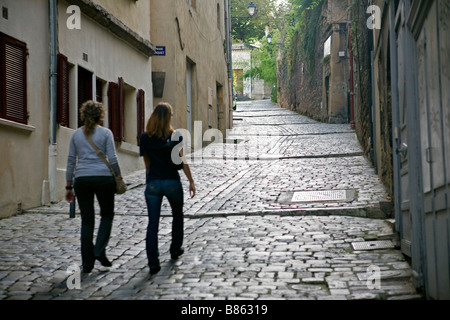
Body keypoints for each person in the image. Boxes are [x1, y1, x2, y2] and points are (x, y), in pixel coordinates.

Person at [65, 100, 122, 273]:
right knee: (107, 214)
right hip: (104, 178)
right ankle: (99, 249)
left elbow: (70, 161)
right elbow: (112, 158)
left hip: (82, 179)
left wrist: (69, 186)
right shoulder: (106, 133)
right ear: (100, 115)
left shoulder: (76, 135)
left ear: (83, 115)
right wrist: (118, 176)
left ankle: (88, 263)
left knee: (87, 221)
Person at [140, 102, 196, 275]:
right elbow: (182, 160)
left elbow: (147, 164)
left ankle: (153, 263)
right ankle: (175, 248)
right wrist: (191, 181)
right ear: (169, 117)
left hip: (154, 183)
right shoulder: (175, 136)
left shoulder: (145, 137)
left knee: (153, 223)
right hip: (172, 181)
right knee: (177, 216)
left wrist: (152, 178)